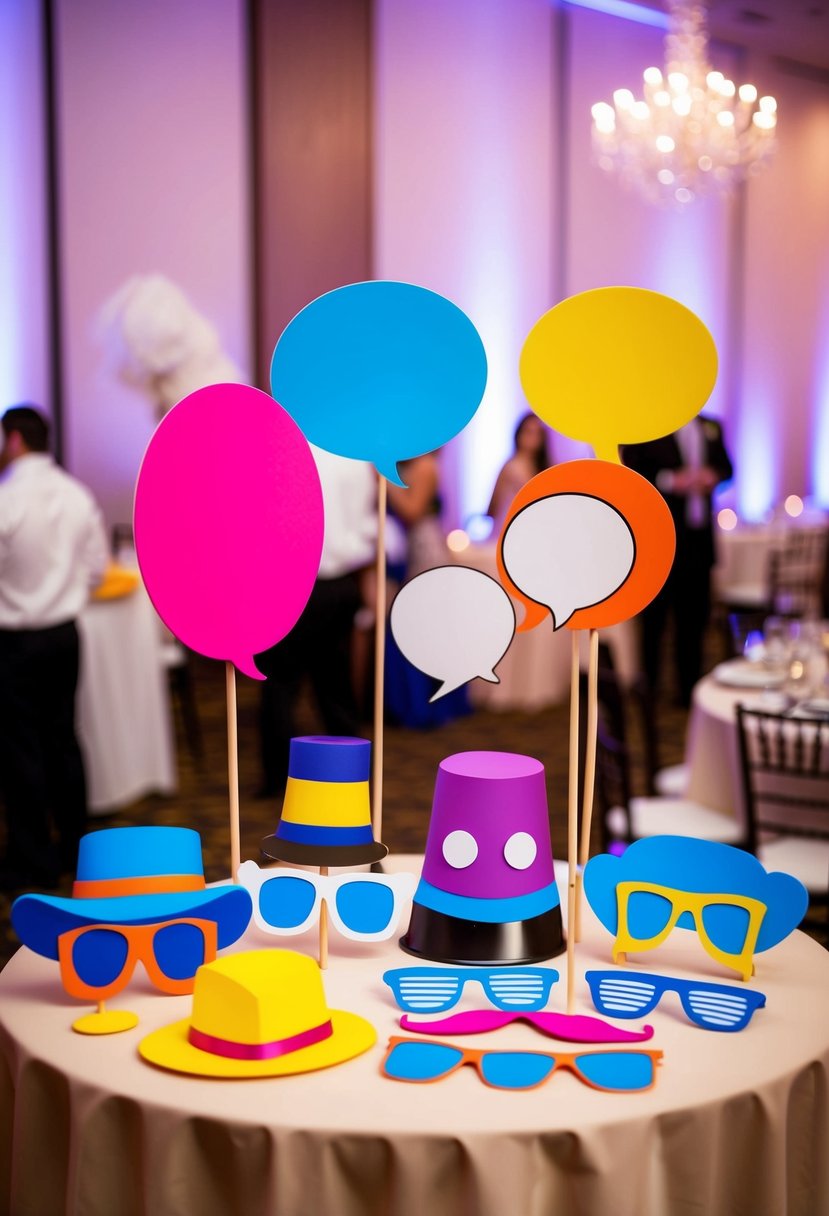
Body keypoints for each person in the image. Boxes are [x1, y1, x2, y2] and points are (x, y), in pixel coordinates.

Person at [0, 406, 109, 889]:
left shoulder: (7, 498)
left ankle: (33, 861)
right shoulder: (76, 493)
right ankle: (75, 848)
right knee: (64, 738)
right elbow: (96, 570)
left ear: (15, 440)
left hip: (15, 641)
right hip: (65, 635)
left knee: (21, 751)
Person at [256, 447, 378, 797]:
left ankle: (278, 781)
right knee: (335, 688)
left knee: (279, 685)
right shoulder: (354, 456)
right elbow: (367, 526)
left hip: (289, 586)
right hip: (338, 586)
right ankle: (350, 779)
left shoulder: (278, 452)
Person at [622, 414, 733, 706]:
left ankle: (689, 690)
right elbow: (631, 471)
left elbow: (727, 468)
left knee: (694, 620)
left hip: (699, 541)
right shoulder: (648, 426)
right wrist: (671, 480)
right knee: (654, 621)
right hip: (660, 541)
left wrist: (714, 476)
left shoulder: (711, 426)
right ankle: (650, 687)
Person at [487, 412, 551, 536]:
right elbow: (493, 506)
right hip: (510, 528)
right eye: (529, 432)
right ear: (519, 434)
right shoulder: (511, 466)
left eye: (538, 433)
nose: (533, 439)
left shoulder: (543, 468)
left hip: (532, 529)